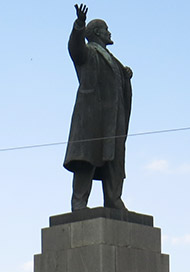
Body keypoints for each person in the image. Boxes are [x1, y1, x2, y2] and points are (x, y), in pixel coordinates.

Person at [64, 3, 133, 211]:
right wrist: (79, 25)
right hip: (92, 117)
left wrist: (125, 77)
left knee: (114, 162)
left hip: (113, 119)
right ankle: (79, 203)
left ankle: (113, 199)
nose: (109, 32)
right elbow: (75, 50)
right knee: (87, 159)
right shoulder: (89, 52)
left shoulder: (113, 60)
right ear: (96, 33)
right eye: (106, 29)